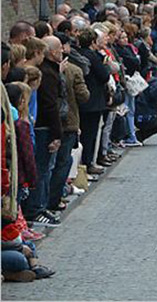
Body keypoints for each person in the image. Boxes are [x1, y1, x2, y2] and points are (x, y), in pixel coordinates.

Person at [22, 36, 64, 227]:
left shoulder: (47, 71)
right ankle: (35, 208)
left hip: (41, 126)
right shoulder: (44, 73)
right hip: (42, 127)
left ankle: (41, 205)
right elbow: (49, 105)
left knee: (45, 168)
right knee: (41, 168)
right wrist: (57, 133)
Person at [48, 33, 89, 213]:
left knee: (52, 163)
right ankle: (54, 199)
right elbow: (84, 95)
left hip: (53, 122)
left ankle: (52, 197)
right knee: (62, 162)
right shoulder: (73, 70)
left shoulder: (45, 70)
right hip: (68, 121)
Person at [77, 28, 111, 177]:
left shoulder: (78, 54)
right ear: (92, 42)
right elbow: (104, 76)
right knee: (89, 135)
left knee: (85, 134)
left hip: (85, 100)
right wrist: (105, 65)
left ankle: (86, 163)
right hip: (93, 100)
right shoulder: (92, 56)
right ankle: (87, 163)